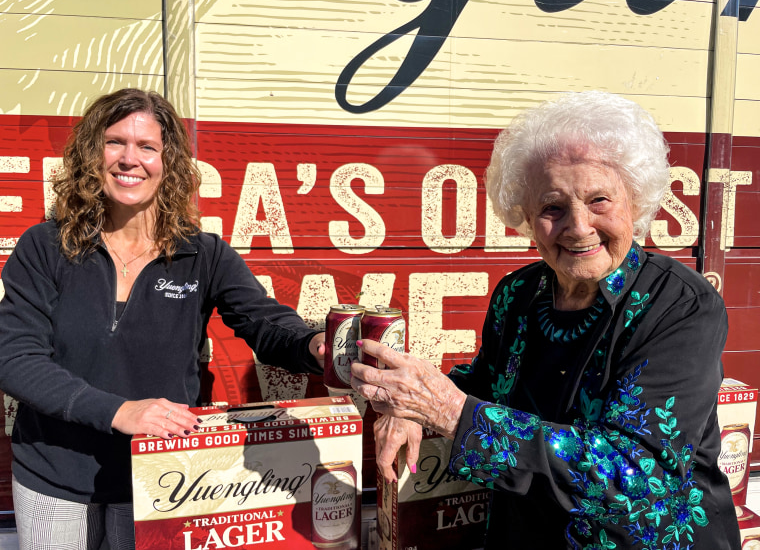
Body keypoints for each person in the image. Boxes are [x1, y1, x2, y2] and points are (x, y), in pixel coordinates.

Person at [351, 91, 741, 548]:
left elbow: (634, 475)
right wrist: (415, 408)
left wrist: (453, 413)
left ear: (635, 202)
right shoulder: (519, 293)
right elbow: (486, 383)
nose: (578, 226)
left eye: (599, 200)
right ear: (525, 216)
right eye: (552, 207)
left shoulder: (680, 306)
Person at [0, 88, 326, 550]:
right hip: (54, 474)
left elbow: (266, 323)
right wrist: (119, 411)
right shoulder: (46, 246)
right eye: (114, 142)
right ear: (93, 155)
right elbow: (14, 358)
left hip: (160, 476)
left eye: (147, 147)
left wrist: (314, 344)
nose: (129, 159)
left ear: (167, 162)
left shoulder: (203, 254)